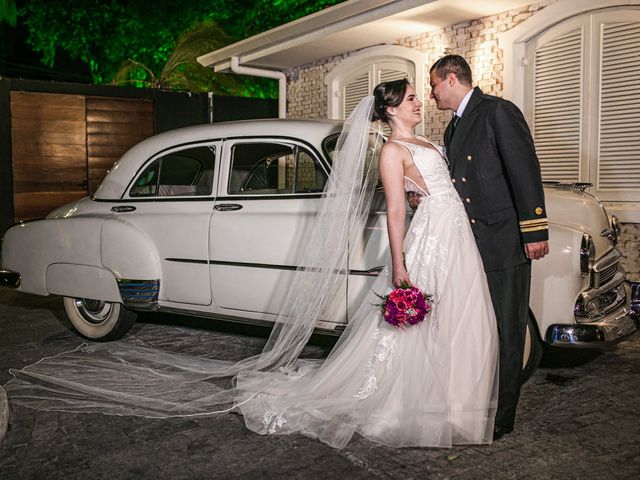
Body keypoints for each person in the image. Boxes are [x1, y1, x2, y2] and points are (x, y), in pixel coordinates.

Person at [6, 81, 498, 450]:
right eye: (411, 94)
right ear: (393, 106)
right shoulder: (396, 148)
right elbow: (393, 205)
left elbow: (408, 194)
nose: (419, 101)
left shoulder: (409, 149)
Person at [424, 55, 549, 440]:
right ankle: (480, 404)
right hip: (470, 245)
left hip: (503, 241)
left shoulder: (498, 112)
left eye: (433, 85)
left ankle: (503, 418)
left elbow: (525, 171)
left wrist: (534, 230)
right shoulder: (454, 128)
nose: (431, 94)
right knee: (482, 330)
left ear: (450, 79)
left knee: (509, 332)